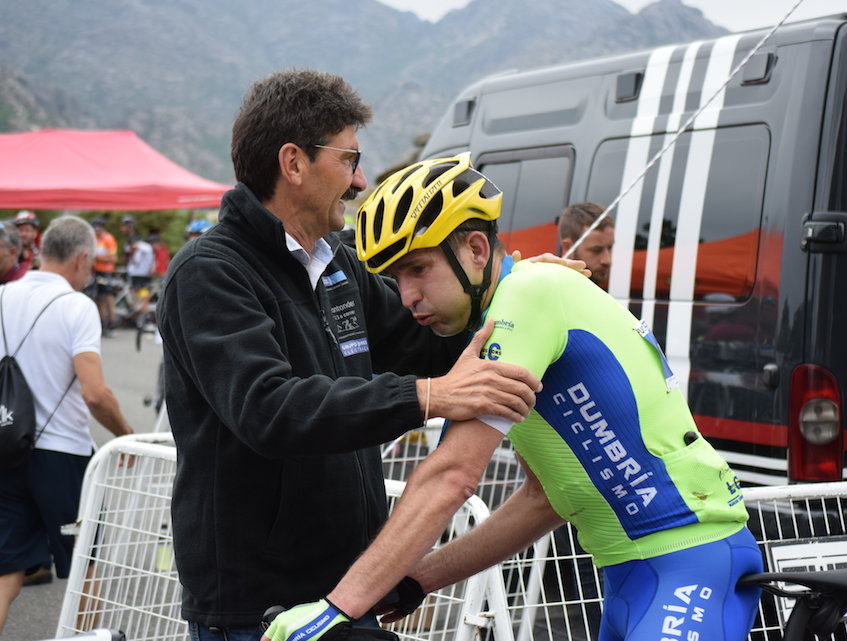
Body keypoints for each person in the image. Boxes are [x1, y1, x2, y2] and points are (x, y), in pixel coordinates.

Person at [263, 154, 761, 641]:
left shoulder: (526, 298)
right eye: (395, 278)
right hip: (638, 575)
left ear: (476, 250)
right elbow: (542, 499)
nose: (407, 295)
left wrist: (336, 608)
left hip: (691, 561)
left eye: (418, 269)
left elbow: (452, 474)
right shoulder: (513, 306)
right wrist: (416, 580)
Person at [157, 69, 542, 641]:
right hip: (256, 607)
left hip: (348, 587)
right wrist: (429, 397)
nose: (361, 179)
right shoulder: (210, 273)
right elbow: (269, 408)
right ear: (293, 164)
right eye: (348, 160)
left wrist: (517, 293)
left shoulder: (339, 263)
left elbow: (429, 346)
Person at [0, 215, 134, 634]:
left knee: (7, 567)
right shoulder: (77, 306)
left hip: (6, 447)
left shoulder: (3, 294)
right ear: (81, 259)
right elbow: (95, 393)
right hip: (62, 455)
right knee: (85, 563)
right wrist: (125, 437)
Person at [559, 201, 614, 288]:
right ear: (568, 247)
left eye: (610, 248)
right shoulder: (547, 290)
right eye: (596, 250)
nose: (607, 260)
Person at [90, 218, 120, 337]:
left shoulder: (108, 239)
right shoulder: (94, 239)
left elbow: (113, 258)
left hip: (105, 272)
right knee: (99, 299)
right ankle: (102, 324)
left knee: (107, 298)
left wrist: (97, 258)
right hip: (95, 272)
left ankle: (111, 323)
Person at [13, 210, 41, 277]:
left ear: (35, 233)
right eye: (20, 230)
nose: (23, 234)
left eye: (27, 230)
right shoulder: (10, 254)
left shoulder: (42, 254)